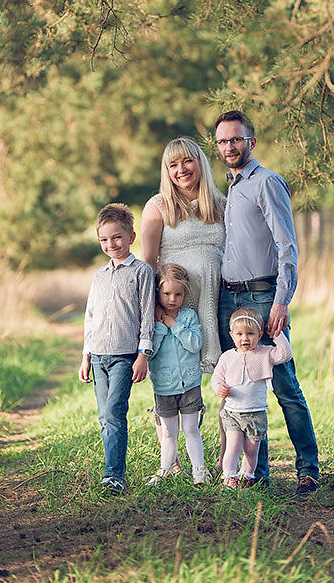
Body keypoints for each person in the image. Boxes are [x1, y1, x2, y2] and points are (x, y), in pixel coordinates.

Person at [214, 110, 320, 497]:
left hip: (262, 295)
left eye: (236, 139)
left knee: (284, 384)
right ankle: (255, 474)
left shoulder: (267, 182)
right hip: (232, 298)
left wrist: (280, 300)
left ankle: (308, 469)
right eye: (223, 141)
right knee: (241, 387)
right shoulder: (232, 187)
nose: (229, 146)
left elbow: (286, 246)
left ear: (251, 142)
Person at [141, 137, 226, 474]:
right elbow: (148, 264)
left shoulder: (220, 204)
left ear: (200, 163)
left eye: (186, 162)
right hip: (173, 308)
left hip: (216, 303)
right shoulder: (158, 206)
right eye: (172, 165)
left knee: (223, 379)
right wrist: (153, 314)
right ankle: (172, 460)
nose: (180, 170)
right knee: (168, 379)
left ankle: (223, 461)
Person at [78, 203, 154, 494]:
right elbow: (90, 317)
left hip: (125, 355)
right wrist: (85, 355)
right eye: (105, 239)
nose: (111, 244)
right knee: (103, 415)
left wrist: (143, 354)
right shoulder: (98, 276)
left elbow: (147, 315)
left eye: (117, 237)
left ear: (131, 236)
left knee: (114, 412)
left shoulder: (141, 272)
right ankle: (112, 470)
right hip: (97, 355)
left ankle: (114, 475)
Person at [211, 307, 293, 489]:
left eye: (250, 334)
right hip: (232, 412)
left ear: (260, 334)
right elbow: (216, 378)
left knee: (251, 450)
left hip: (256, 413)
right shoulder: (227, 357)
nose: (245, 338)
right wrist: (219, 388)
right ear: (232, 335)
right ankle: (229, 477)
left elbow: (286, 355)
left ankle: (246, 476)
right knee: (233, 447)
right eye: (239, 334)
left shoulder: (265, 353)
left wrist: (277, 335)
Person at [147, 264, 211, 486]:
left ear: (185, 294)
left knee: (191, 429)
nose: (172, 298)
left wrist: (173, 324)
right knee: (168, 432)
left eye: (178, 294)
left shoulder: (189, 316)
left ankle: (199, 470)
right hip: (164, 385)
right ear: (158, 292)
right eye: (166, 293)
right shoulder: (152, 320)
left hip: (190, 383)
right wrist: (162, 327)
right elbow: (150, 351)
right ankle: (166, 469)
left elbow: (195, 344)